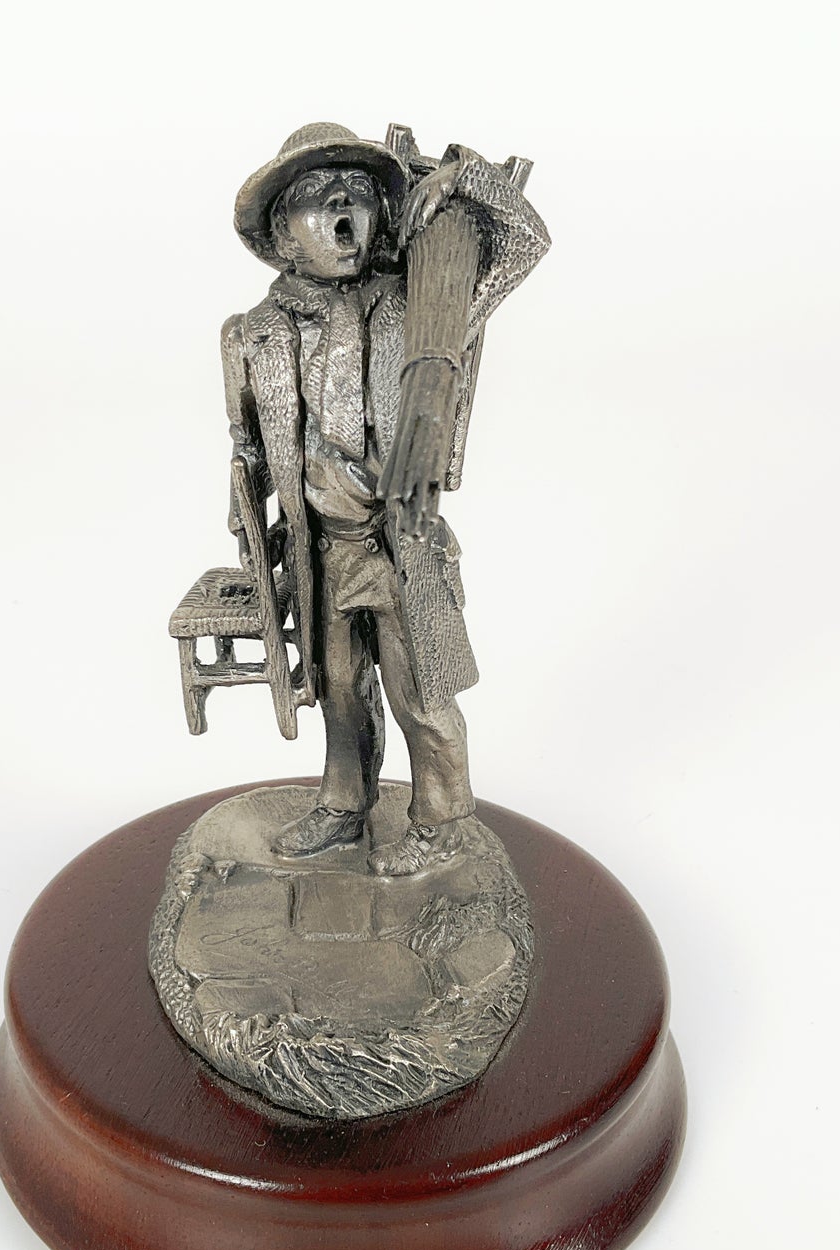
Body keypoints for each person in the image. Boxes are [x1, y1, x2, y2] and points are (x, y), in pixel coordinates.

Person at [223, 123, 548, 876]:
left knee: (419, 692)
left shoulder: (422, 307)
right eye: (317, 195)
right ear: (282, 234)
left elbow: (524, 243)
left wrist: (465, 180)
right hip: (319, 546)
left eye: (359, 193)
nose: (343, 207)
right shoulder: (255, 333)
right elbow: (248, 443)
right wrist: (246, 517)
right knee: (338, 688)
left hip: (400, 542)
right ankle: (344, 803)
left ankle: (442, 822)